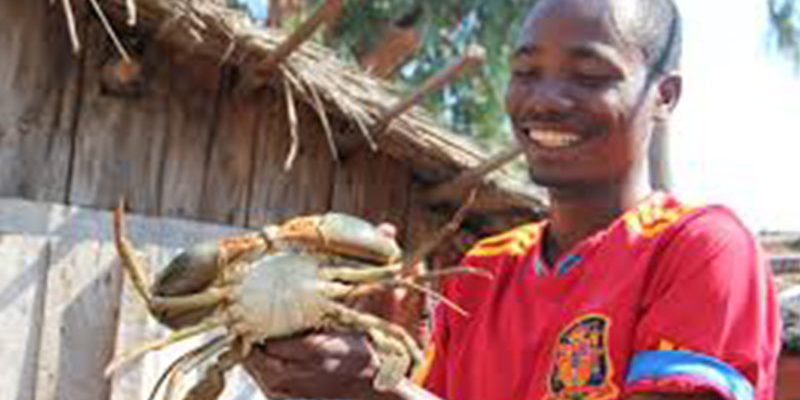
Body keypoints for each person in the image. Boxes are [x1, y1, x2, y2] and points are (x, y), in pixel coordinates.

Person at [244, 0, 782, 399]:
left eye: (589, 76)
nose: (545, 100)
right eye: (525, 72)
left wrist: (381, 389)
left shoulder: (702, 249)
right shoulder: (483, 273)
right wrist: (317, 372)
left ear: (664, 96)